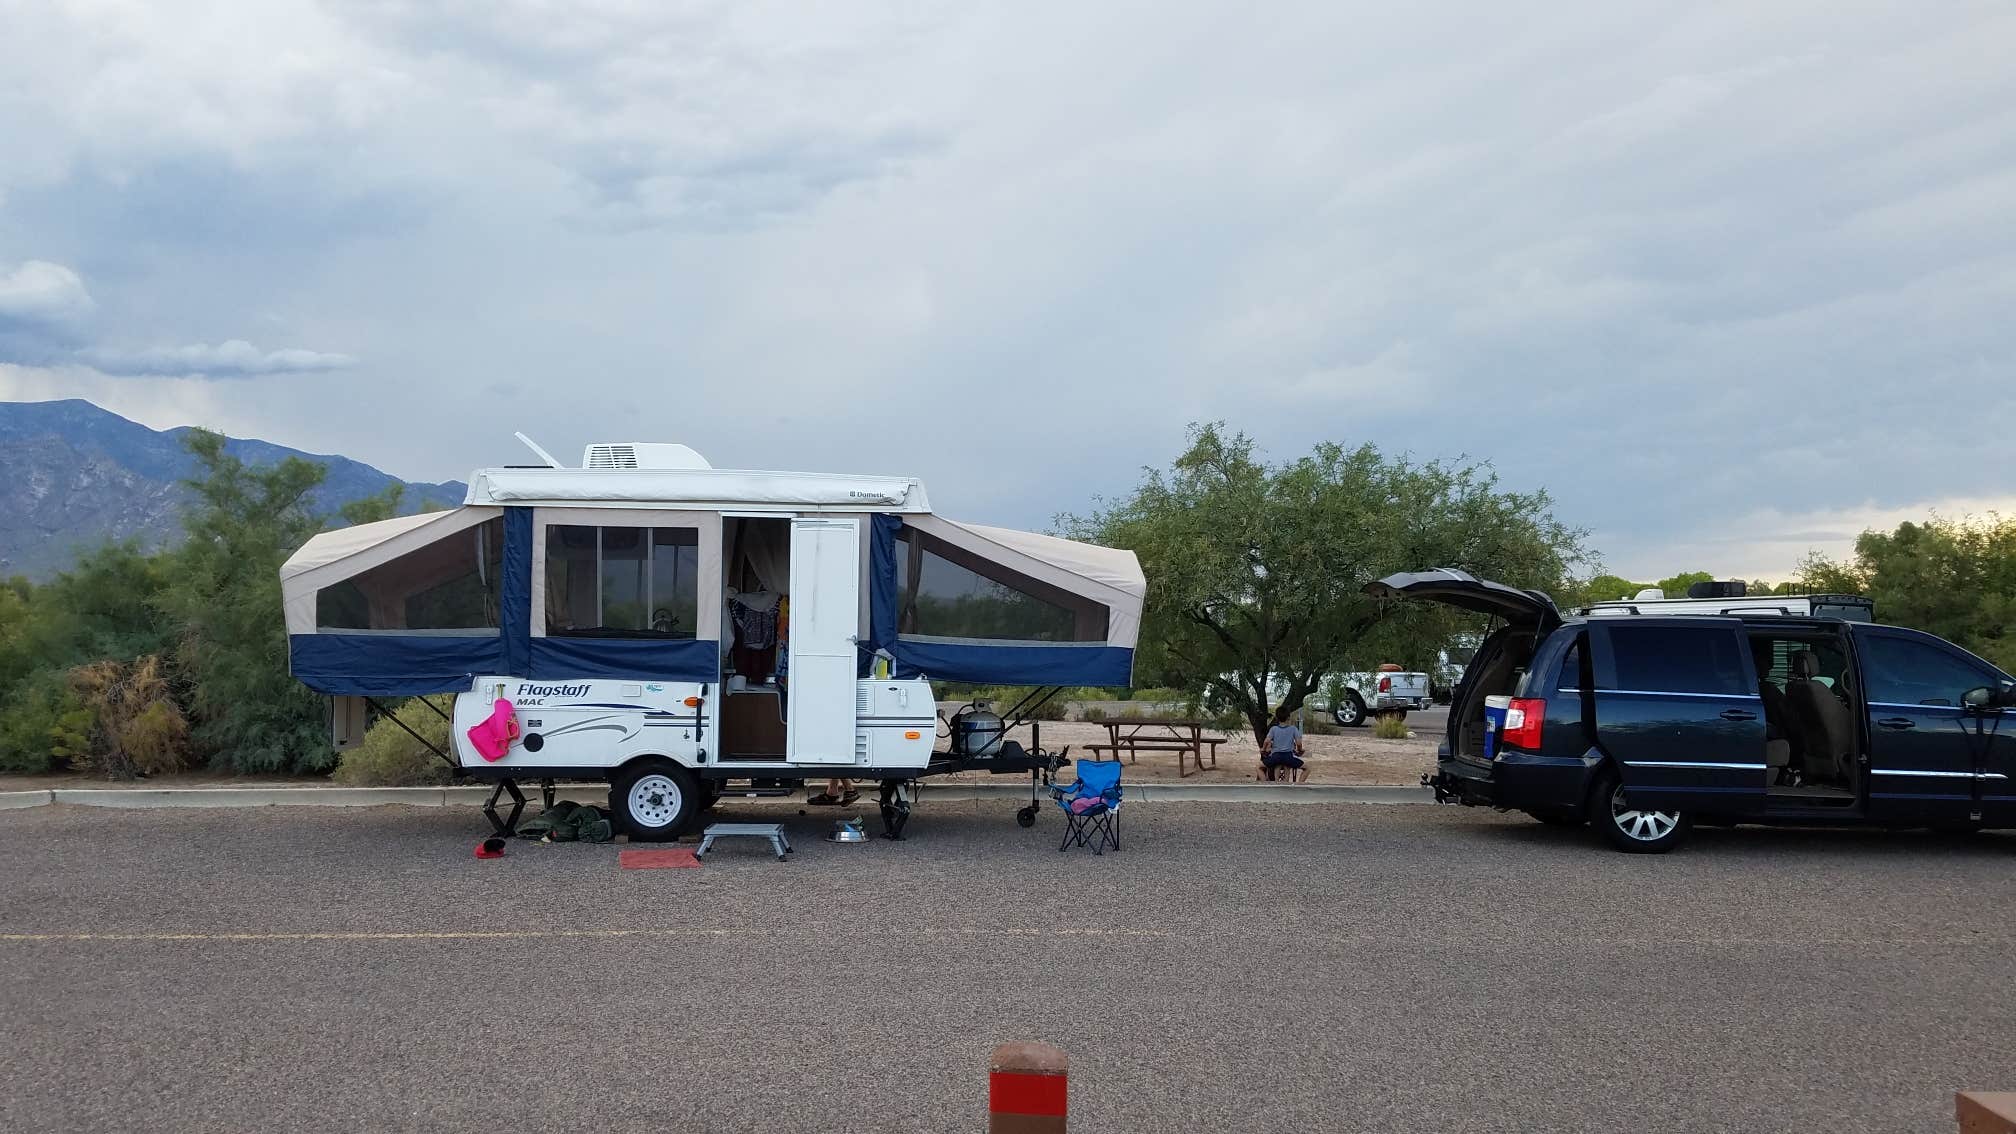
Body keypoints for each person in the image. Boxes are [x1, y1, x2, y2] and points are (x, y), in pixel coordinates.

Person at [1259, 706, 1306, 783]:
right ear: (1288, 717)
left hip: (1276, 757)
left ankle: (1266, 785)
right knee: (1307, 768)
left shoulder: (1273, 729)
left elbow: (1266, 741)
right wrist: (1300, 750)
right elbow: (1299, 743)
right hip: (1288, 757)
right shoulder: (1293, 729)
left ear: (1277, 718)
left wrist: (1263, 749)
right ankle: (1298, 785)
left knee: (1258, 767)